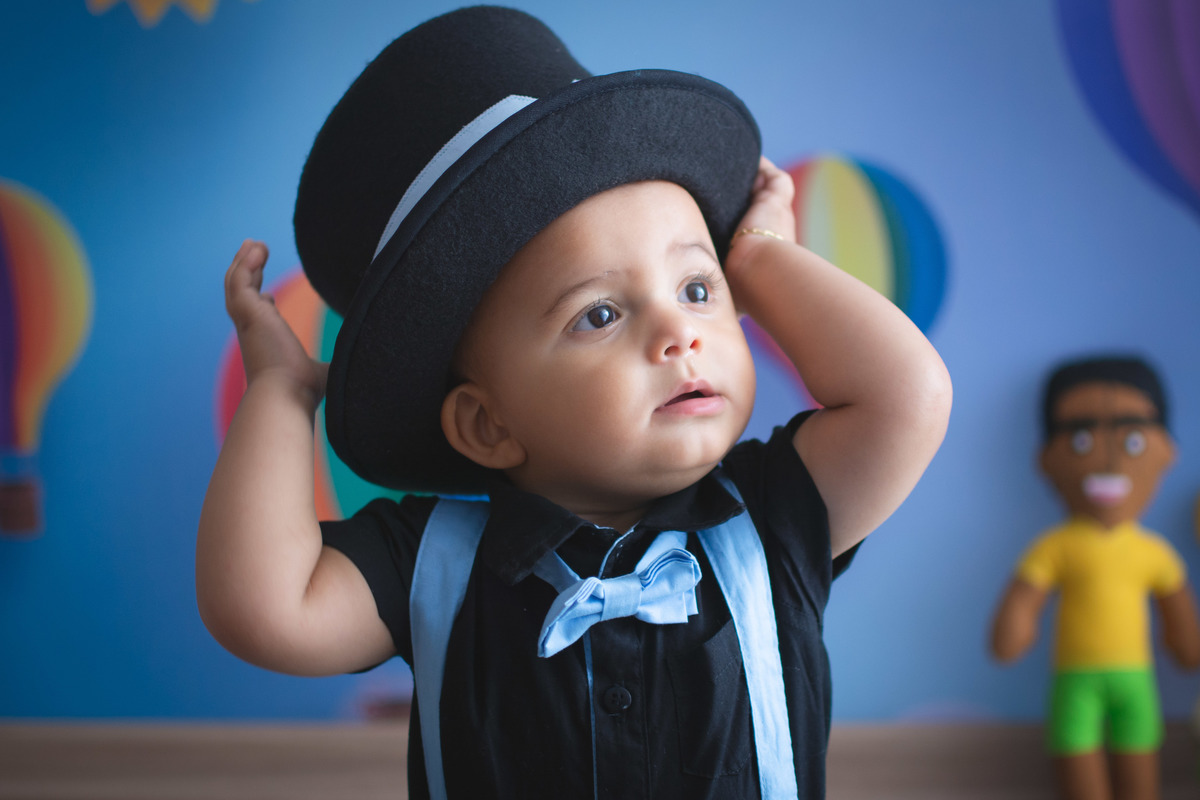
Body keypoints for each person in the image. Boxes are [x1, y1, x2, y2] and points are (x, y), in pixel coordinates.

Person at [197, 7, 951, 799]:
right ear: (488, 423)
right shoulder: (434, 563)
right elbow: (264, 609)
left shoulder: (770, 520)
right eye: (601, 315)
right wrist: (281, 394)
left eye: (698, 289)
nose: (679, 333)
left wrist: (761, 260)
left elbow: (907, 397)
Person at [990, 356, 1200, 800]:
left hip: (1135, 677)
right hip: (1074, 678)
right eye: (1081, 438)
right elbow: (1026, 597)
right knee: (1073, 743)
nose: (1109, 459)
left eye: (1133, 439)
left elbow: (1176, 604)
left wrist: (1187, 642)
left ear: (1165, 450)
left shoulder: (1153, 553)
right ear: (1048, 458)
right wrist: (1015, 627)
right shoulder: (1056, 547)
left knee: (1138, 741)